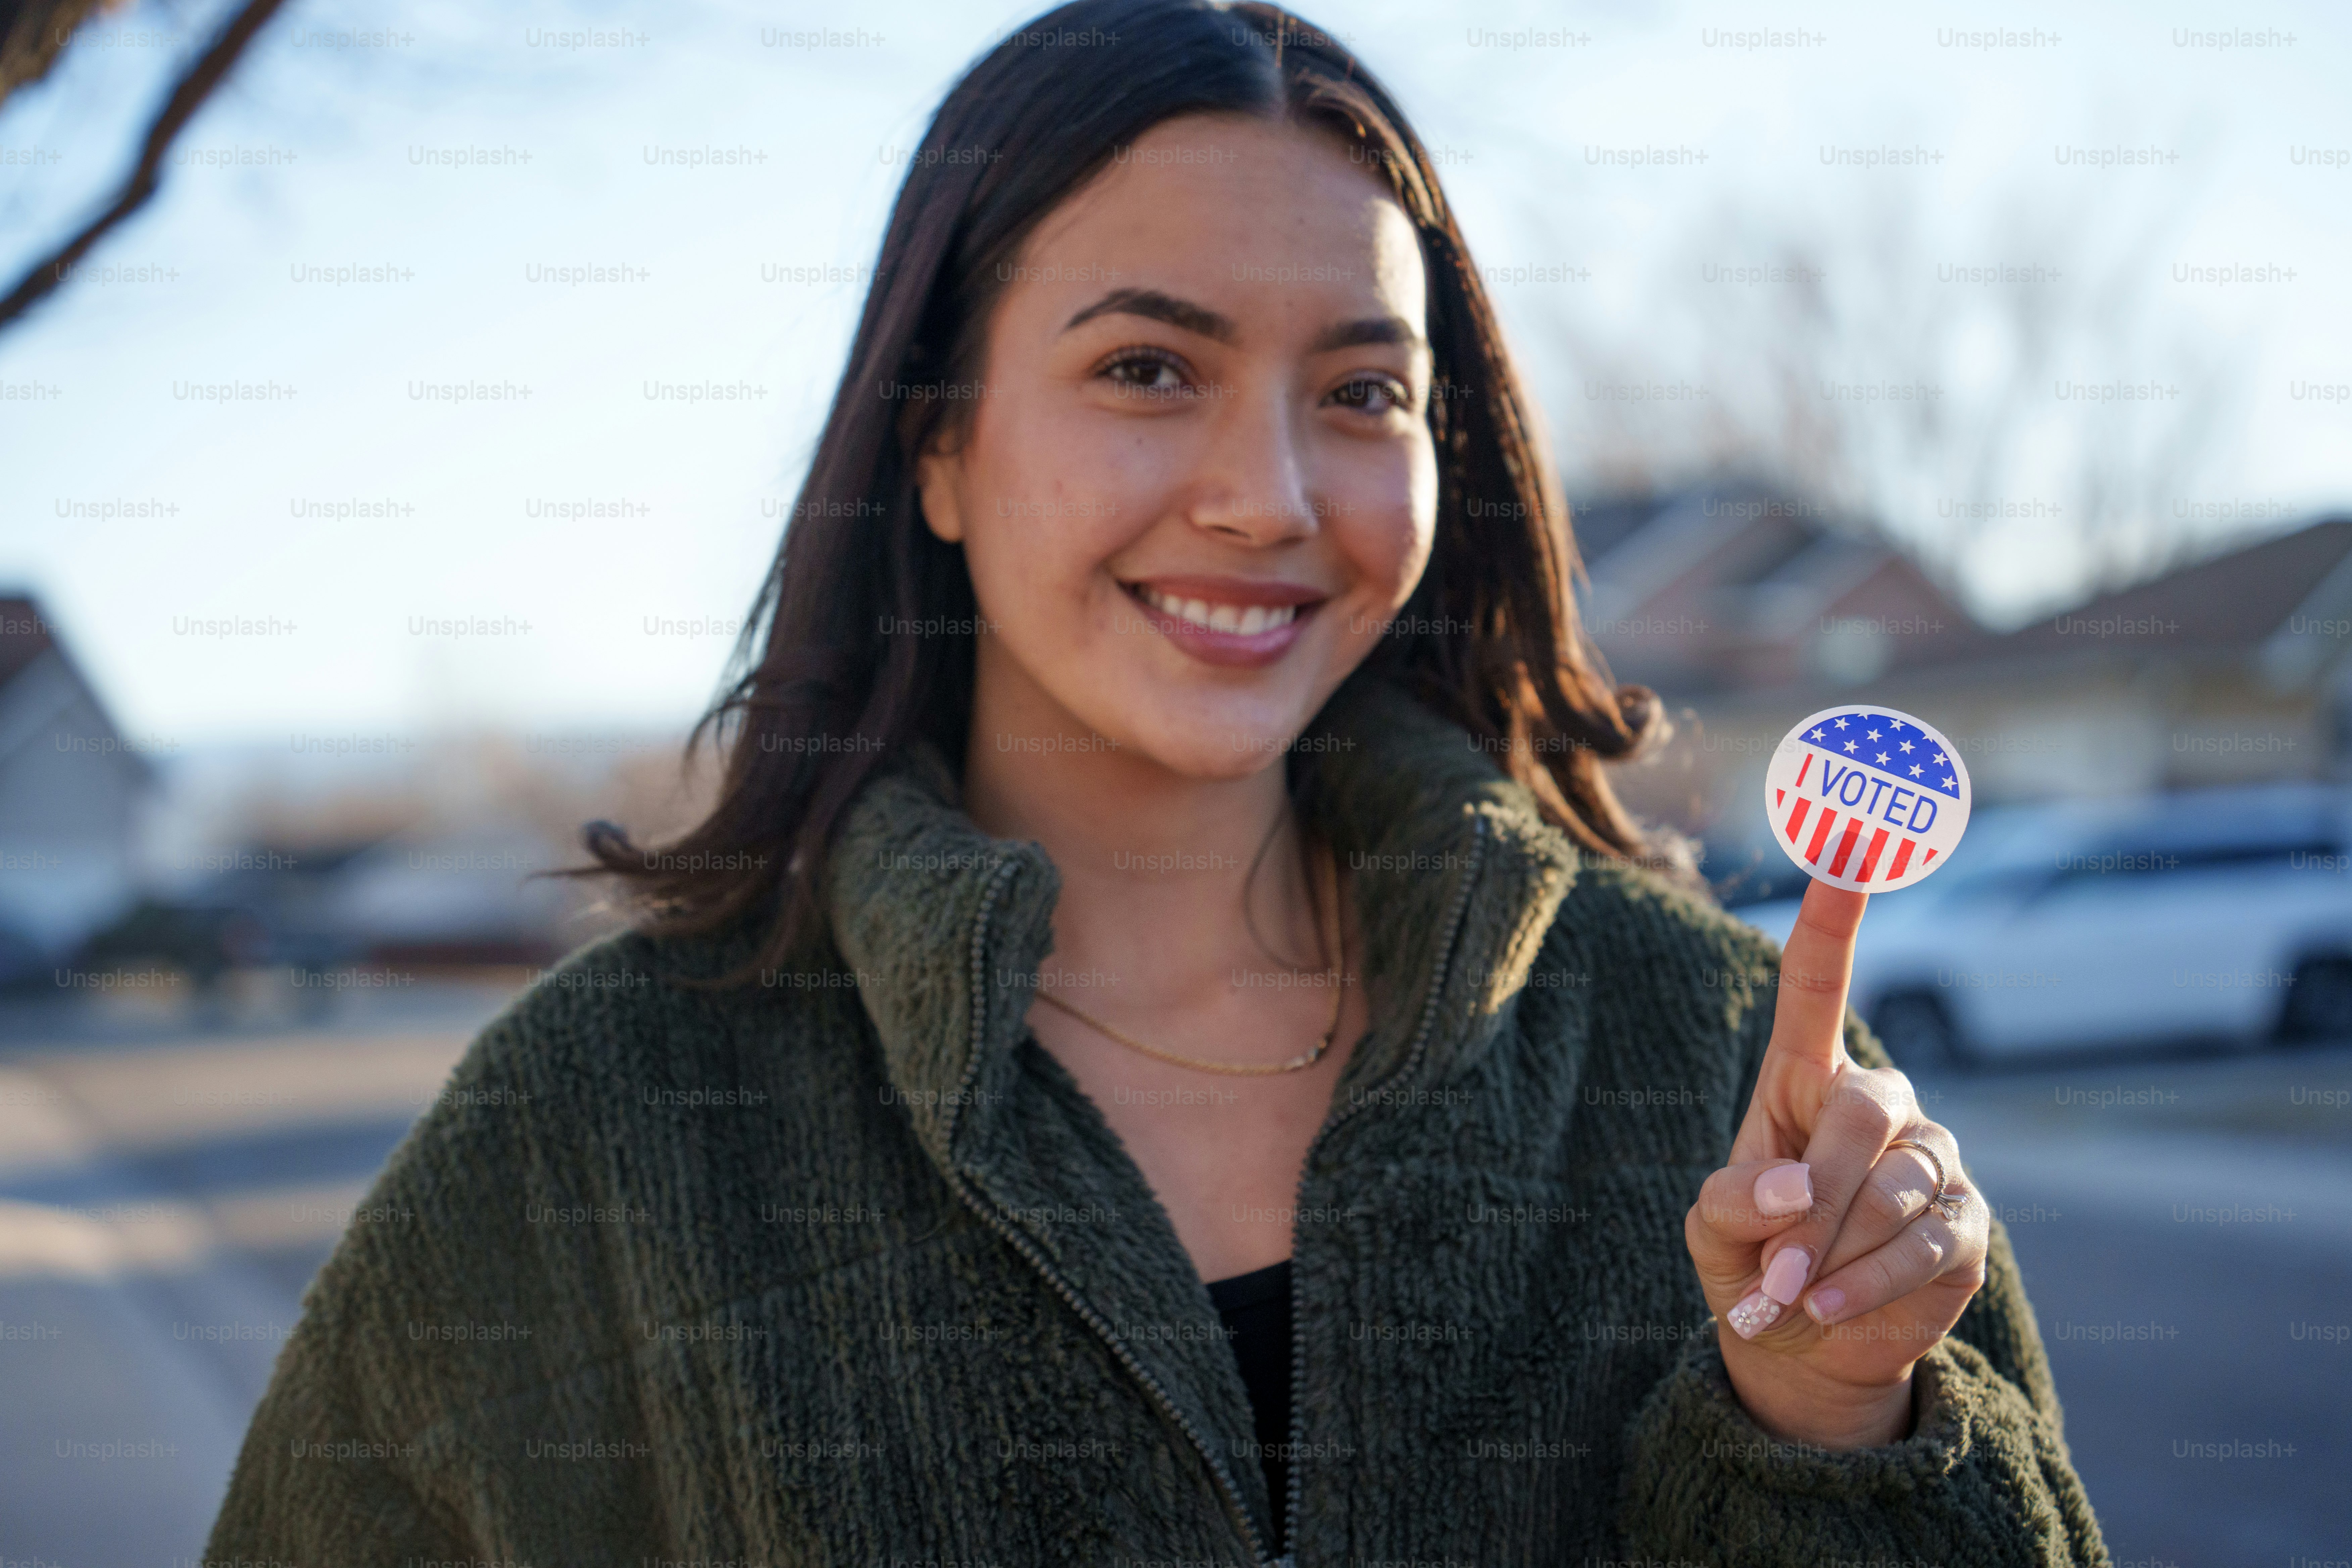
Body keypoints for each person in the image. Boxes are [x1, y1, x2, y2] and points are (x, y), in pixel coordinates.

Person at [205, 3, 2106, 1562]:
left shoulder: (1700, 1058)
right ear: (935, 449)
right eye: (1144, 369)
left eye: (1363, 392)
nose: (1269, 498)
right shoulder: (599, 1127)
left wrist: (1839, 1430)